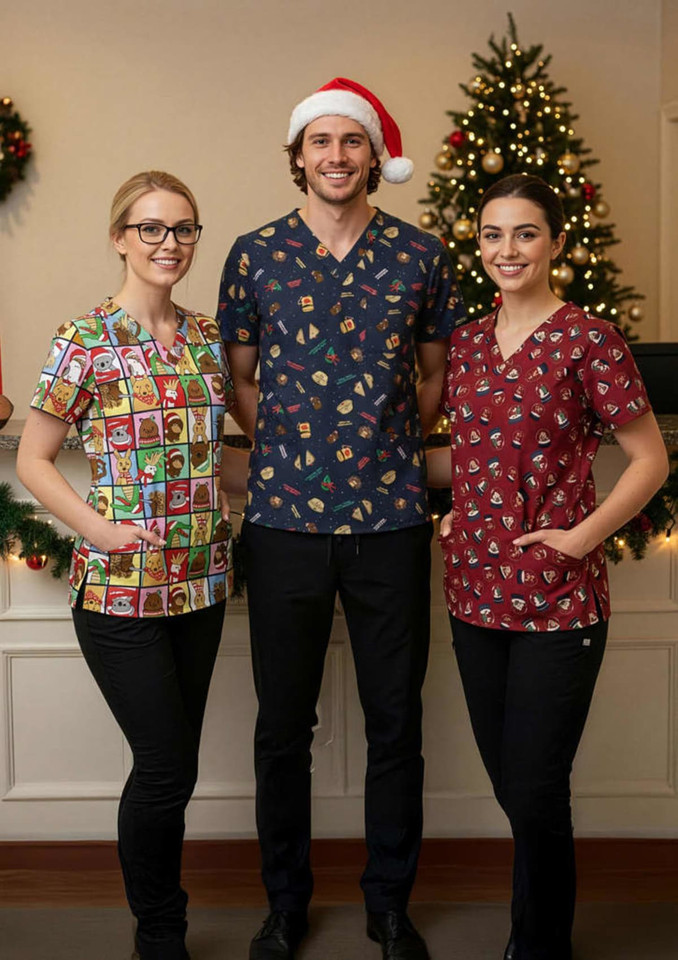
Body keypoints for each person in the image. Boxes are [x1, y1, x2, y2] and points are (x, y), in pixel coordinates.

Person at [217, 78, 465, 960]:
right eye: (319, 141)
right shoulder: (254, 255)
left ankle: (389, 905)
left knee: (396, 722)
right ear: (298, 156)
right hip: (283, 522)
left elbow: (433, 377)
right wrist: (288, 448)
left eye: (351, 142)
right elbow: (242, 378)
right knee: (282, 727)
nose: (335, 156)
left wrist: (383, 443)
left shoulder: (422, 256)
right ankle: (284, 905)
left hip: (392, 520)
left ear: (372, 157)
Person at [426, 173, 669, 960]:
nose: (507, 249)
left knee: (536, 790)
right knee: (515, 786)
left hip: (558, 603)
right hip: (472, 594)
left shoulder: (589, 340)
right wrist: (456, 504)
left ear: (556, 242)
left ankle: (538, 945)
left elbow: (648, 459)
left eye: (525, 233)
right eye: (493, 234)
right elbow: (470, 452)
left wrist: (581, 536)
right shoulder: (463, 341)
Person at [17, 170, 248, 960]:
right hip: (120, 592)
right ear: (120, 237)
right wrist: (100, 530)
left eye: (183, 228)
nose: (169, 244)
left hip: (203, 583)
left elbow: (227, 459)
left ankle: (162, 921)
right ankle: (161, 932)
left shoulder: (212, 337)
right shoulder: (85, 339)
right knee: (164, 763)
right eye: (150, 228)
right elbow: (38, 461)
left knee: (172, 772)